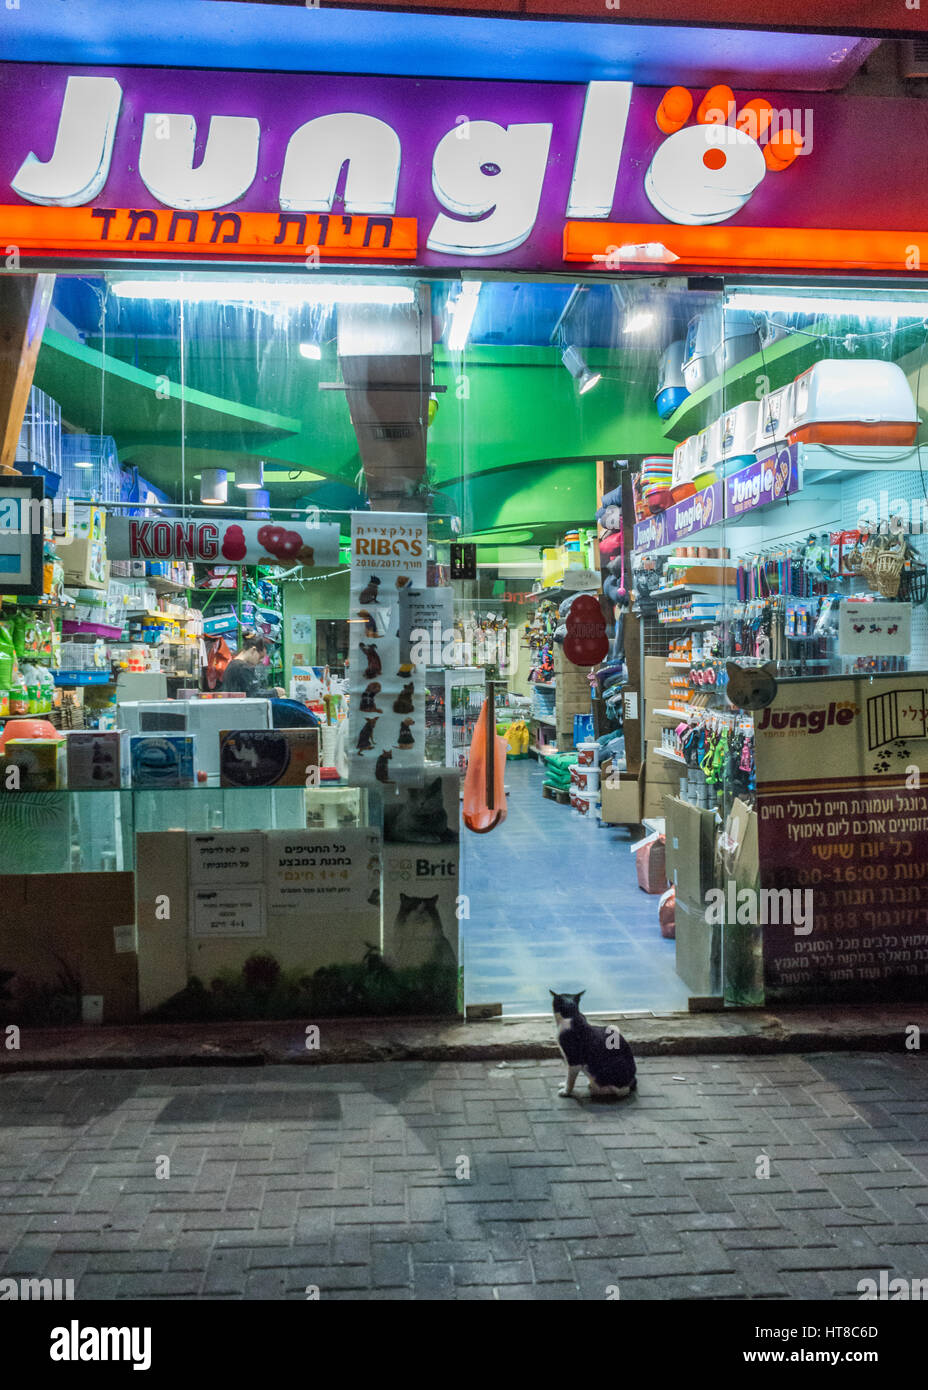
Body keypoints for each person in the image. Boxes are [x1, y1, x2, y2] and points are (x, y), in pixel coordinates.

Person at [220, 634, 286, 698]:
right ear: (253, 650)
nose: (261, 661)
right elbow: (254, 695)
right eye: (260, 657)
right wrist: (274, 692)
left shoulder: (233, 664)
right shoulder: (243, 668)